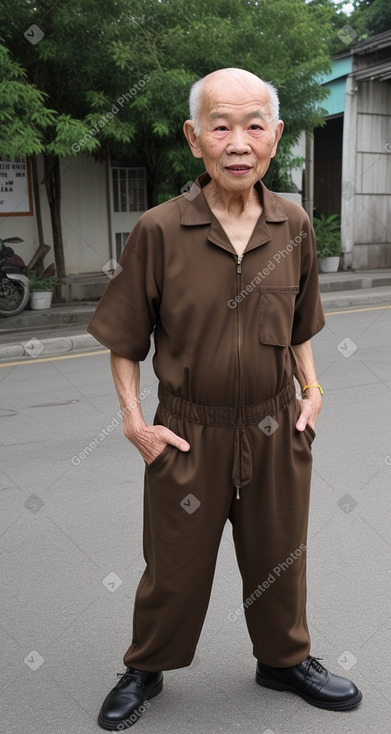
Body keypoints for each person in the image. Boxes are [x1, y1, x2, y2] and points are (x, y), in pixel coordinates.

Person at [88, 68, 362, 731]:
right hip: (187, 432)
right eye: (220, 126)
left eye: (253, 125)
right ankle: (145, 666)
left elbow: (299, 328)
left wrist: (312, 393)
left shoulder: (291, 223)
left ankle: (283, 660)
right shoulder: (158, 231)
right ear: (194, 138)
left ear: (275, 135)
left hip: (274, 427)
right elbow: (124, 339)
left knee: (279, 556)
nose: (237, 141)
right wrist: (134, 423)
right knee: (173, 567)